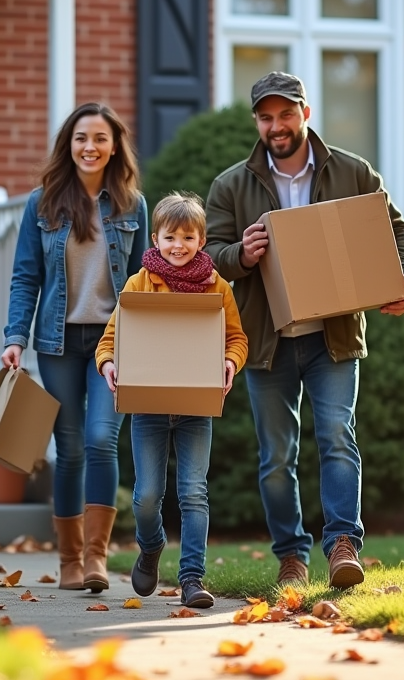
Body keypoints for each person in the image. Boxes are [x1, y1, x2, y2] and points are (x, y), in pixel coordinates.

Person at [204, 71, 404, 589]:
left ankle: (343, 544)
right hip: (269, 340)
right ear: (257, 121)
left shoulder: (352, 172)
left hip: (334, 337)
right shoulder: (232, 185)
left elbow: (396, 229)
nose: (276, 126)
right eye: (266, 117)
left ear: (306, 113)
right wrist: (241, 254)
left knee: (337, 439)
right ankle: (291, 556)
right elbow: (209, 257)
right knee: (277, 457)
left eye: (285, 114)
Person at [1, 102, 148, 593]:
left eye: (100, 139)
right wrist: (15, 339)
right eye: (81, 138)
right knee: (69, 449)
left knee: (101, 438)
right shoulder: (41, 204)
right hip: (57, 341)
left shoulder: (133, 205)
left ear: (114, 146)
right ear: (69, 143)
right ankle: (67, 560)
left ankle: (96, 558)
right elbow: (26, 277)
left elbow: (148, 281)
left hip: (114, 342)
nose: (90, 147)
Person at [95, 191, 248, 609]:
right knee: (146, 496)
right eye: (169, 237)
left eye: (187, 237)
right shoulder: (139, 283)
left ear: (201, 241)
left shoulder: (217, 286)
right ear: (155, 240)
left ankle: (192, 579)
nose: (178, 246)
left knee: (194, 492)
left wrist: (231, 362)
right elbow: (111, 338)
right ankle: (151, 546)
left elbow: (235, 338)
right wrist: (108, 363)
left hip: (196, 407)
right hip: (148, 408)